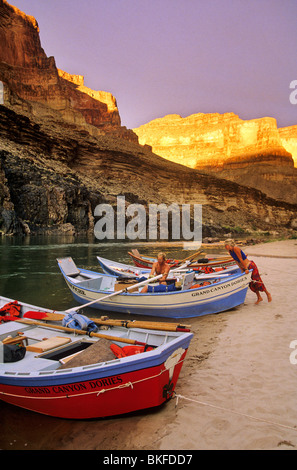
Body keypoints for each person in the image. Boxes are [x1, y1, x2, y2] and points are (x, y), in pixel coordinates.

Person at [224, 239, 272, 304]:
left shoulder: (236, 249)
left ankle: (267, 293)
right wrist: (241, 269)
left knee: (257, 281)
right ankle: (259, 297)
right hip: (244, 268)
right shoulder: (230, 251)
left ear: (229, 245)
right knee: (251, 283)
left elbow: (241, 259)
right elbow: (236, 261)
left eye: (226, 245)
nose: (225, 247)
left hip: (250, 266)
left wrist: (246, 269)